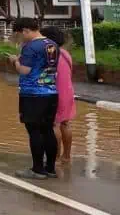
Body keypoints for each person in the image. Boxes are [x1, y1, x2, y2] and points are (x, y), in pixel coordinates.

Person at [8, 18, 59, 180]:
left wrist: (15, 61)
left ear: (26, 30)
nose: (21, 37)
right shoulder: (52, 44)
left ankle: (37, 169)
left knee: (34, 131)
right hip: (51, 92)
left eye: (20, 34)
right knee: (48, 130)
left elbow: (24, 70)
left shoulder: (31, 47)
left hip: (32, 93)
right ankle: (50, 168)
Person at [41, 26, 75, 164]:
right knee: (65, 123)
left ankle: (54, 158)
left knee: (53, 125)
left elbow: (44, 77)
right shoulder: (66, 54)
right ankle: (66, 156)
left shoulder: (49, 54)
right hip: (68, 93)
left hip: (53, 92)